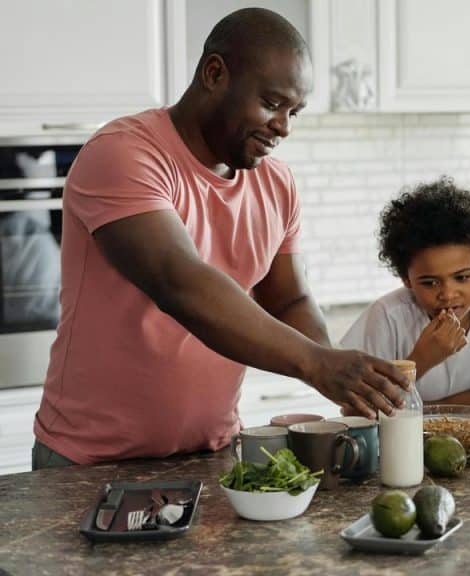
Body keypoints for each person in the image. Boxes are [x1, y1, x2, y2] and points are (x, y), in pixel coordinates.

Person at [32, 8, 408, 469]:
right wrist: (316, 363)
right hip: (89, 462)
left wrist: (340, 376)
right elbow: (180, 283)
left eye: (295, 112)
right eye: (272, 103)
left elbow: (290, 299)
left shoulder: (276, 183)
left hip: (211, 454)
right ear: (214, 73)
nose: (284, 126)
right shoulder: (123, 154)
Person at [339, 177, 470, 409]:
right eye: (430, 283)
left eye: (462, 277)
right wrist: (422, 359)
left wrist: (419, 414)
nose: (447, 294)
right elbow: (357, 409)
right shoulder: (387, 317)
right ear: (406, 278)